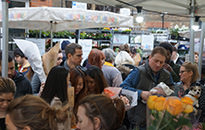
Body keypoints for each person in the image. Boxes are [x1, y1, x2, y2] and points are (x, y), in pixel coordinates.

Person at [120, 47, 174, 129]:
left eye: (161, 62)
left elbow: (173, 92)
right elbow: (122, 88)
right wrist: (140, 93)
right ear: (150, 58)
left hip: (159, 121)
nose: (158, 64)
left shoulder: (166, 75)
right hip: (139, 122)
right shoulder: (138, 72)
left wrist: (166, 93)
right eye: (156, 61)